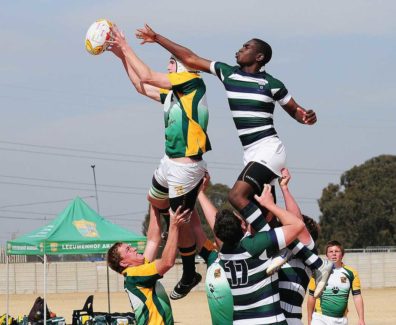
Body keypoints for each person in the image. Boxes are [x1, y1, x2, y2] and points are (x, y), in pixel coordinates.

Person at [135, 24, 317, 241]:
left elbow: (295, 111)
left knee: (236, 196)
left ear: (259, 56)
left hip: (269, 150)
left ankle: (272, 243)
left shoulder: (272, 84)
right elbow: (191, 59)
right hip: (251, 154)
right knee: (266, 213)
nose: (239, 50)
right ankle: (307, 256)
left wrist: (305, 118)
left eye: (246, 47)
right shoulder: (228, 73)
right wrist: (157, 38)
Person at [107, 25, 213, 299]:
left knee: (181, 221)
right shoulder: (174, 94)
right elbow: (141, 86)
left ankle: (189, 272)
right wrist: (121, 57)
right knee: (155, 202)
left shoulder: (192, 82)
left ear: (184, 68)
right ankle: (179, 253)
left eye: (171, 62)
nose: (168, 65)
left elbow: (147, 75)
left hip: (185, 168)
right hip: (169, 162)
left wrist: (125, 46)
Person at [107, 206, 190, 325]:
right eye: (128, 250)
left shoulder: (137, 270)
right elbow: (167, 262)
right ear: (124, 263)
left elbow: (153, 240)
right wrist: (174, 226)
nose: (134, 248)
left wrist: (154, 203)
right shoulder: (134, 274)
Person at [307, 240, 366, 325]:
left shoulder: (352, 273)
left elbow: (357, 296)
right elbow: (311, 297)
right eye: (330, 251)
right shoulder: (318, 272)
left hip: (341, 320)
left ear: (342, 254)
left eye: (337, 251)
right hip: (320, 318)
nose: (334, 254)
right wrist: (310, 319)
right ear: (327, 255)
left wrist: (361, 319)